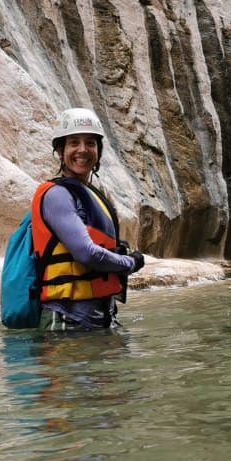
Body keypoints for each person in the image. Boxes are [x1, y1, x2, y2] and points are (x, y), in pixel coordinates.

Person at [30, 108, 145, 331]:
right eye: (74, 142)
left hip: (100, 319)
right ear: (60, 149)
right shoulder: (56, 195)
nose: (82, 150)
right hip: (66, 321)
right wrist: (130, 263)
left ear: (98, 150)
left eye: (90, 143)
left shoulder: (91, 194)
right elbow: (86, 253)